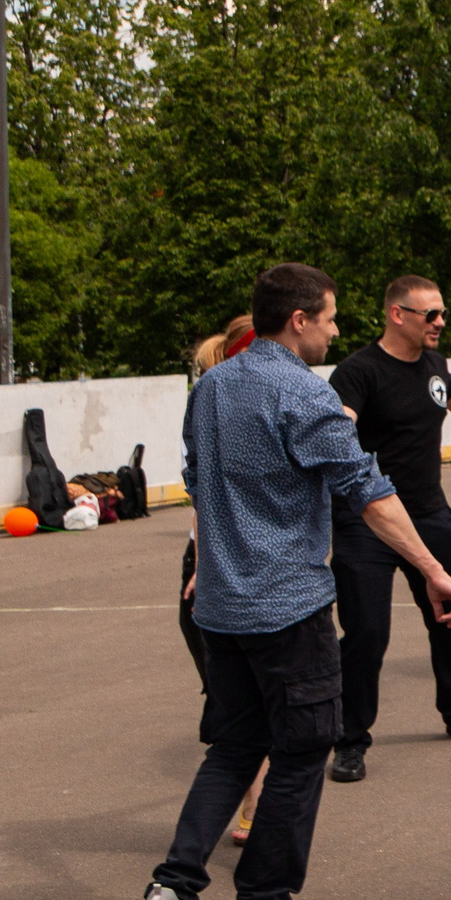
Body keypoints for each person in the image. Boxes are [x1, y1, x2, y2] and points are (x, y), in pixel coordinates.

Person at [129, 264, 451, 900]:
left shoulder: (214, 385)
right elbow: (368, 492)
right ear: (298, 320)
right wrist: (435, 571)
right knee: (305, 744)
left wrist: (212, 562)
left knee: (234, 746)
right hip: (287, 606)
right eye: (330, 317)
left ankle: (173, 892)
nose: (337, 330)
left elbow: (198, 479)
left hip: (222, 607)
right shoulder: (302, 394)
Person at [325, 275, 451, 783]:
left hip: (431, 514)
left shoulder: (434, 365)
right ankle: (350, 739)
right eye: (430, 315)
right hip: (365, 521)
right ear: (398, 315)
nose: (440, 323)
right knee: (367, 634)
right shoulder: (357, 372)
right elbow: (336, 426)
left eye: (443, 314)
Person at [180, 313, 264, 845]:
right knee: (241, 707)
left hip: (247, 571)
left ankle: (254, 805)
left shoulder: (280, 398)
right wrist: (206, 564)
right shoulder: (213, 404)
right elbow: (202, 497)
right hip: (219, 569)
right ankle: (251, 802)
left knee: (255, 708)